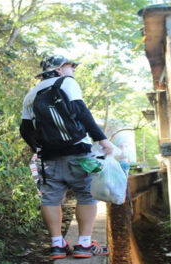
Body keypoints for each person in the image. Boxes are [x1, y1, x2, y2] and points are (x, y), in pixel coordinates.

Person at [19, 55, 113, 259]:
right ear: (59, 69)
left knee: (50, 199)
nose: (74, 70)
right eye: (71, 66)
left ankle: (57, 245)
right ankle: (84, 244)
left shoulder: (31, 94)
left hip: (48, 158)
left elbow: (25, 129)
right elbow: (82, 113)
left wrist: (35, 148)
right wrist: (102, 140)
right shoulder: (67, 83)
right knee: (87, 195)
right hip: (78, 152)